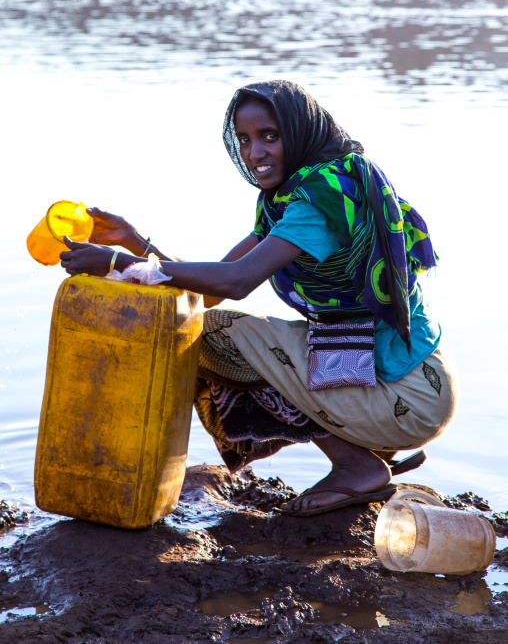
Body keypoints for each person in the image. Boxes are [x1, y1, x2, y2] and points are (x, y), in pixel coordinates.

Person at [60, 80, 458, 516]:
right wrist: (136, 243)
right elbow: (207, 289)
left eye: (270, 136)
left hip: (409, 392)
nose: (255, 153)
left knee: (215, 334)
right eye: (245, 140)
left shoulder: (319, 202)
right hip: (383, 366)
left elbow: (235, 283)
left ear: (302, 132)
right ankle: (361, 454)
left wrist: (118, 262)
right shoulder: (290, 200)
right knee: (224, 332)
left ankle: (356, 465)